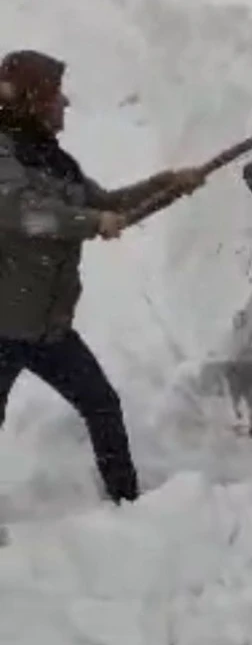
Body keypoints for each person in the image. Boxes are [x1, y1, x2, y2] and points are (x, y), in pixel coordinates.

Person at [0, 48, 205, 504]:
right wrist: (89, 223)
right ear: (32, 101)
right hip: (2, 326)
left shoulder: (53, 162)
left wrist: (170, 184)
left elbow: (110, 205)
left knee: (102, 404)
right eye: (55, 94)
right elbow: (22, 214)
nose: (65, 103)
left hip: (45, 328)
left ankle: (127, 502)